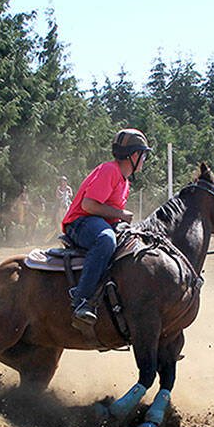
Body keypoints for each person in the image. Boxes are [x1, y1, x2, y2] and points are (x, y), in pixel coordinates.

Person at [61, 129, 152, 325]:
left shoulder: (124, 180)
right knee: (105, 240)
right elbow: (88, 206)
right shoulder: (110, 170)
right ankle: (82, 301)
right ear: (134, 155)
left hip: (96, 222)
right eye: (143, 154)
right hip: (79, 222)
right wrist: (121, 214)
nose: (144, 159)